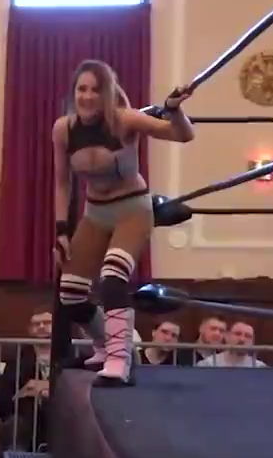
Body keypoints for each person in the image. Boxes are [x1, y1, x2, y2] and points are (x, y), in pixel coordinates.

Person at [53, 60, 196, 386]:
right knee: (71, 292)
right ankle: (106, 347)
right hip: (95, 213)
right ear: (73, 93)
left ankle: (120, 362)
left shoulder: (125, 119)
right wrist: (61, 230)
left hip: (133, 208)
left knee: (113, 278)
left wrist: (174, 110)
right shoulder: (63, 129)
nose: (87, 96)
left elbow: (184, 135)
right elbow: (62, 182)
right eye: (82, 89)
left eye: (95, 89)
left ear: (107, 93)